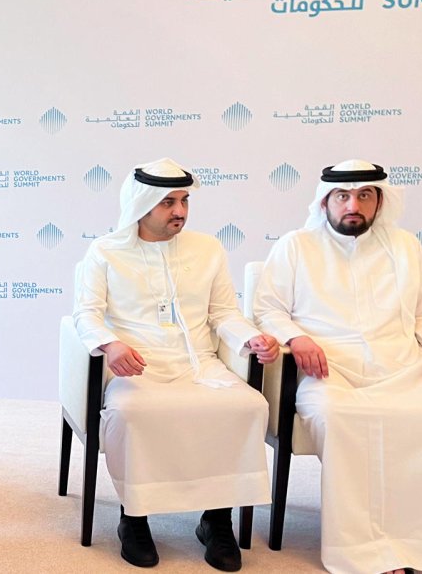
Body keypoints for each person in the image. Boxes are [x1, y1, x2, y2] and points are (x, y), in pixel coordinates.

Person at [254, 159, 422, 574]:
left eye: (364, 195)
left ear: (379, 201)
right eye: (342, 195)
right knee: (341, 419)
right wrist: (297, 338)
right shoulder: (295, 246)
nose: (353, 204)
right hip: (329, 371)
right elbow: (268, 309)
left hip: (401, 368)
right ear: (325, 201)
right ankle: (366, 553)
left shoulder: (405, 245)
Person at [73, 158, 277, 571]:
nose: (180, 211)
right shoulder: (105, 251)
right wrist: (110, 345)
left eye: (184, 201)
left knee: (247, 405)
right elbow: (87, 314)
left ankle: (217, 518)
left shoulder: (208, 249)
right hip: (138, 366)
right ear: (142, 204)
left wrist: (249, 337)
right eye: (167, 203)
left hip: (198, 363)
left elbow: (223, 312)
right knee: (132, 413)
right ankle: (135, 517)